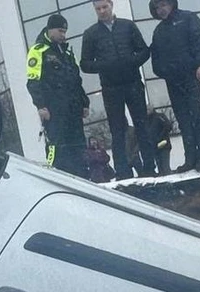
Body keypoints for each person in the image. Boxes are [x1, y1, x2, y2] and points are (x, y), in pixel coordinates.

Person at [81, 0, 157, 179]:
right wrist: (105, 66)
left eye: (104, 7)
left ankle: (149, 167)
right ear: (95, 10)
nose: (102, 11)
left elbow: (144, 51)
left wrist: (131, 62)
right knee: (117, 130)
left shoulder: (128, 26)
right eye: (98, 9)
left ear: (111, 5)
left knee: (142, 126)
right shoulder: (91, 34)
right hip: (110, 88)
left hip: (132, 83)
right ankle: (122, 171)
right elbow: (85, 64)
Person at [148, 0, 200, 173]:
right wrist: (165, 72)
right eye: (157, 7)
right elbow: (156, 61)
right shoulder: (159, 31)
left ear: (171, 4)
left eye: (164, 5)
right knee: (183, 119)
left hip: (191, 76)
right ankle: (190, 158)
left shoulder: (188, 18)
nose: (161, 10)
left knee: (196, 115)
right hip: (173, 81)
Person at [26, 14, 90, 178]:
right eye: (61, 31)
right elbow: (33, 81)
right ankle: (58, 177)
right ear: (50, 30)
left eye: (65, 31)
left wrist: (84, 103)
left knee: (78, 145)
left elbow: (76, 80)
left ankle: (83, 177)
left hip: (73, 108)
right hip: (54, 109)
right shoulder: (38, 51)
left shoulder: (68, 52)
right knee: (57, 145)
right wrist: (41, 106)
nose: (64, 35)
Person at [146, 107, 173, 175]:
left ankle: (169, 181)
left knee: (165, 167)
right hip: (154, 147)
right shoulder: (146, 120)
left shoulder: (159, 116)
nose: (147, 111)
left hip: (164, 145)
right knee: (160, 169)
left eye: (148, 109)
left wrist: (160, 137)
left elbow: (168, 126)